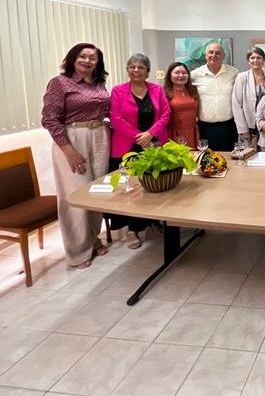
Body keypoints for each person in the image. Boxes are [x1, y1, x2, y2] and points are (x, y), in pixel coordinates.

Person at [41, 43, 110, 269]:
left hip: (99, 136)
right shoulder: (60, 83)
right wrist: (68, 150)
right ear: (72, 58)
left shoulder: (99, 84)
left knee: (97, 191)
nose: (88, 61)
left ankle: (93, 240)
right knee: (75, 194)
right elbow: (50, 119)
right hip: (72, 138)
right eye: (83, 56)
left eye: (93, 58)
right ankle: (78, 251)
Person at [108, 54, 170, 249]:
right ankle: (131, 230)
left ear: (147, 71)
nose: (136, 70)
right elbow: (115, 118)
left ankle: (151, 220)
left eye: (141, 67)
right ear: (127, 70)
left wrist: (150, 134)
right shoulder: (118, 91)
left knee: (153, 185)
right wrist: (139, 137)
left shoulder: (156, 90)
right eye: (132, 66)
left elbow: (165, 114)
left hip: (153, 145)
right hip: (127, 145)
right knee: (129, 188)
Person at [191, 42, 238, 150]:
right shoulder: (194, 75)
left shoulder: (233, 72)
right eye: (211, 52)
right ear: (205, 55)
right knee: (206, 157)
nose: (214, 55)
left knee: (229, 157)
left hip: (228, 127)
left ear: (223, 56)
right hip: (205, 127)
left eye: (217, 53)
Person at [232, 47, 265, 149]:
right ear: (248, 61)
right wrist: (243, 129)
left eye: (259, 58)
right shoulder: (242, 77)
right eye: (252, 58)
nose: (256, 60)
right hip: (249, 126)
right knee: (249, 154)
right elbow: (236, 104)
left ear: (263, 60)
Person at [164, 61, 200, 147]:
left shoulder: (193, 90)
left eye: (184, 73)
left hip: (192, 131)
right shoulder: (164, 93)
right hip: (174, 134)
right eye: (177, 73)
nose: (181, 75)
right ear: (169, 75)